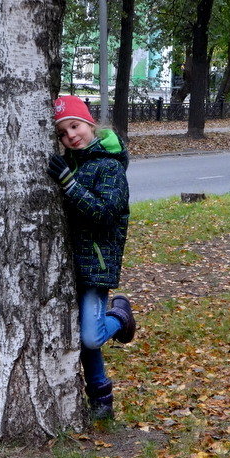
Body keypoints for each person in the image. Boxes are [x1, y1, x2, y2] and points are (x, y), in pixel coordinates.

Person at [47, 95, 135, 421]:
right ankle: (100, 397)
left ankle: (122, 317)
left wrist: (68, 185)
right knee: (82, 339)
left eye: (75, 125)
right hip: (67, 265)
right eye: (62, 132)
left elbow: (105, 214)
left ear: (90, 124)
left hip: (96, 265)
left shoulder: (110, 167)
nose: (71, 135)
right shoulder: (69, 164)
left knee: (92, 334)